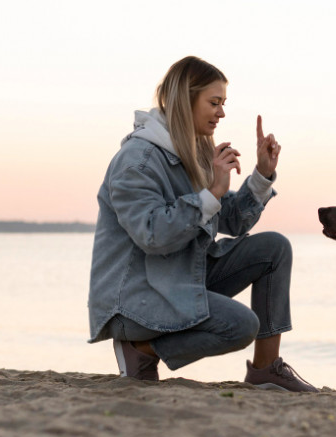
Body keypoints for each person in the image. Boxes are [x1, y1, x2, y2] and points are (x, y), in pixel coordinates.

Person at [87, 56, 317, 392]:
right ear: (185, 99)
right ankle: (140, 350)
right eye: (214, 102)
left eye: (223, 104)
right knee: (240, 326)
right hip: (135, 300)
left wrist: (262, 176)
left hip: (178, 277)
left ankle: (267, 369)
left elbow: (232, 221)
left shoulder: (194, 152)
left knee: (274, 248)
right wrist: (210, 194)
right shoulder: (137, 161)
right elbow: (152, 235)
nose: (222, 113)